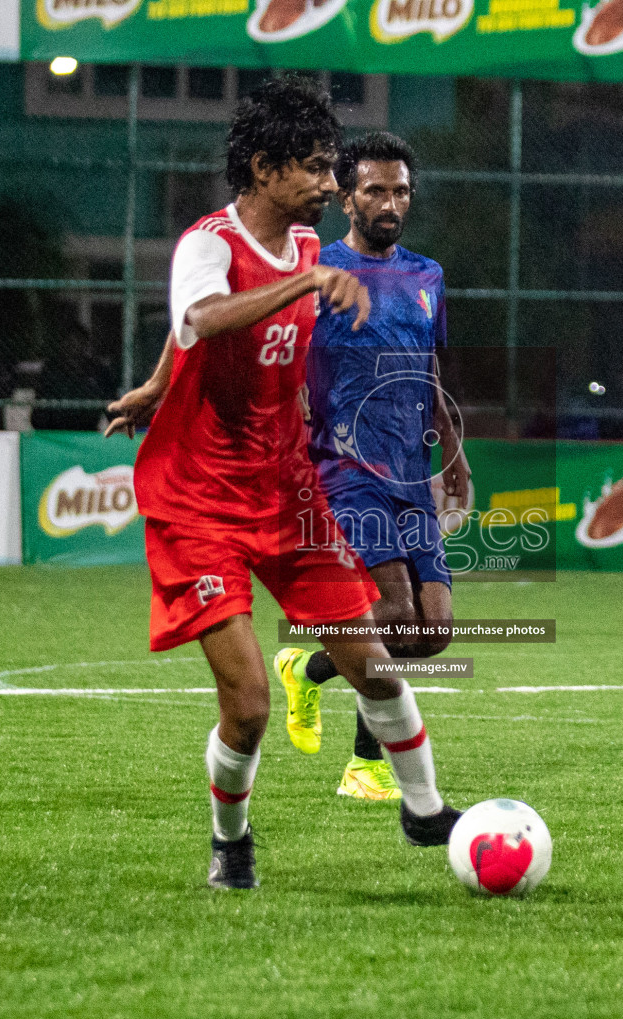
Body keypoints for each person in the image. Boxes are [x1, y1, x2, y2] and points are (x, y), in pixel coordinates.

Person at [103, 77, 461, 890]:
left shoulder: (303, 243)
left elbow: (186, 334)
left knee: (374, 662)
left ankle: (423, 810)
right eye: (312, 169)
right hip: (198, 500)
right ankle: (231, 840)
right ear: (262, 169)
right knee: (251, 704)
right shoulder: (212, 244)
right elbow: (199, 317)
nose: (329, 186)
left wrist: (159, 382)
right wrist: (294, 291)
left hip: (287, 489)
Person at [270, 130, 469, 803]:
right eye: (376, 190)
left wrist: (453, 445)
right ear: (348, 198)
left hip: (412, 468)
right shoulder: (316, 272)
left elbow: (430, 364)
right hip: (344, 467)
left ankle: (311, 667)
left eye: (401, 190)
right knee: (390, 607)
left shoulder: (427, 275)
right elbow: (281, 349)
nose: (391, 201)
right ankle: (368, 765)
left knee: (432, 632)